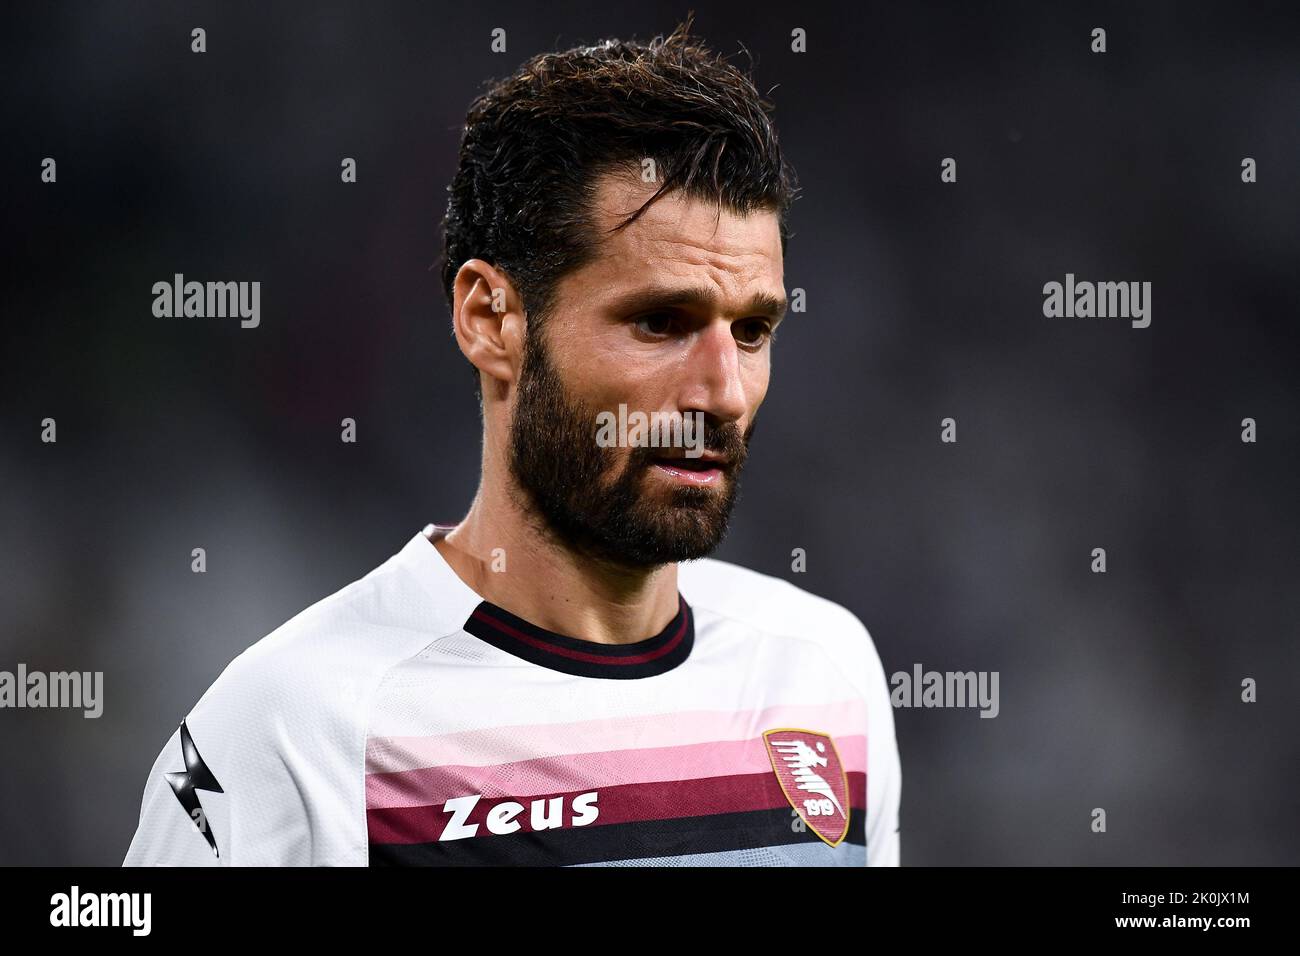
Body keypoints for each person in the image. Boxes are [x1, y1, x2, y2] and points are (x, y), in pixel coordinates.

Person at [124, 19, 900, 867]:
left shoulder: (827, 673)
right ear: (491, 319)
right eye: (660, 322)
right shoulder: (289, 730)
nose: (722, 391)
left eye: (751, 331)